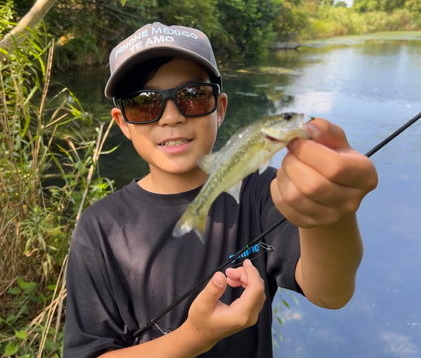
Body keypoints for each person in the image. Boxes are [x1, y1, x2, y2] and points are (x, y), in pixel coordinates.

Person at [63, 22, 378, 358]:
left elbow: (331, 293)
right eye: (144, 104)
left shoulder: (266, 192)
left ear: (220, 108)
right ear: (122, 122)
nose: (170, 117)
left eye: (193, 96)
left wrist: (328, 216)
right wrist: (195, 336)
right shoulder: (99, 228)